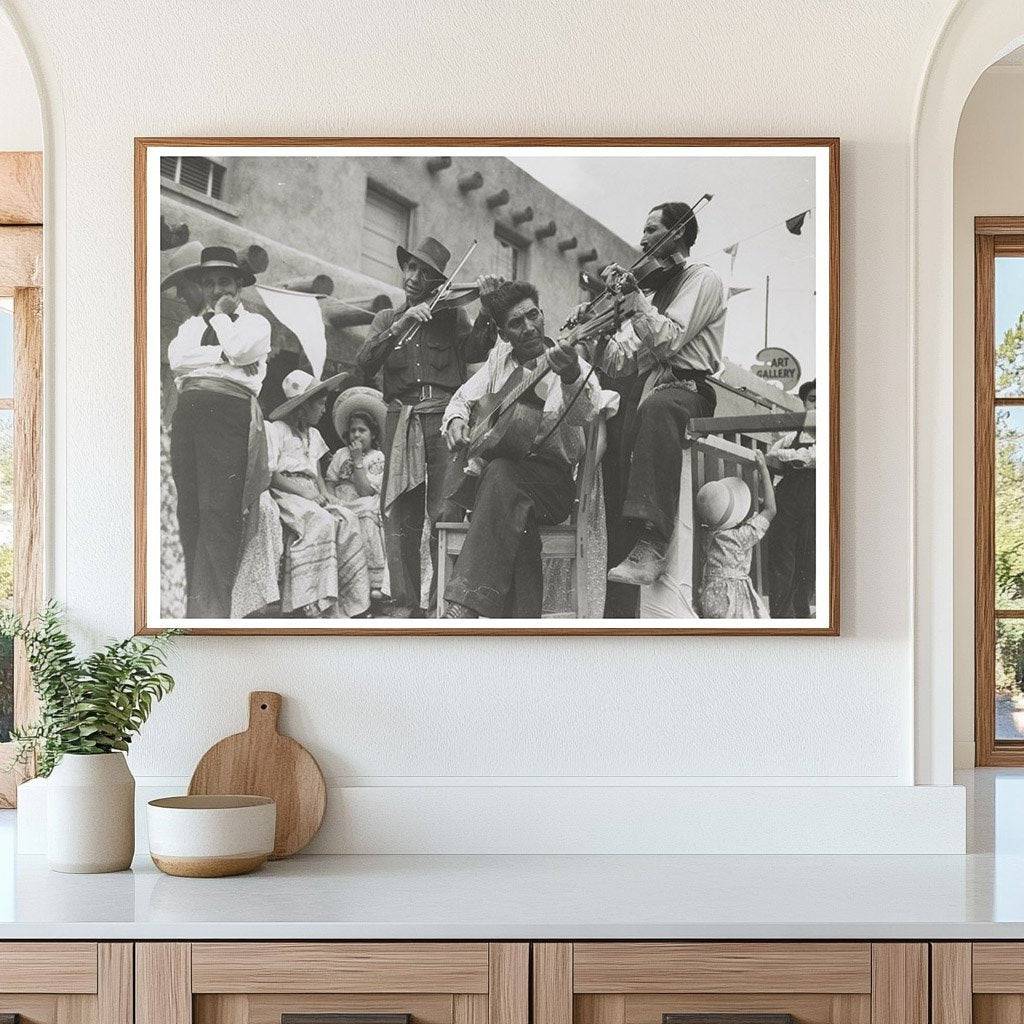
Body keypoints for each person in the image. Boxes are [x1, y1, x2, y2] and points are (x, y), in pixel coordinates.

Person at [440, 280, 610, 618]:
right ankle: (523, 631)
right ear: (503, 334)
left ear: (543, 314)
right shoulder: (498, 362)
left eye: (533, 315)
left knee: (501, 473)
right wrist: (457, 419)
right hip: (502, 491)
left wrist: (571, 374)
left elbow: (584, 414)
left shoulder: (568, 360)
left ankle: (463, 603)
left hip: (552, 485)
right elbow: (462, 396)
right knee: (514, 509)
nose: (529, 326)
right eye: (516, 323)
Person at [585, 203, 727, 595]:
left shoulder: (703, 278)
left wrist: (635, 300)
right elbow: (620, 362)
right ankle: (617, 560)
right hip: (650, 389)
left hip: (686, 390)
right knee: (613, 440)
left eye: (651, 229)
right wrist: (596, 330)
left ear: (678, 231)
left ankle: (653, 544)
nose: (642, 239)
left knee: (657, 409)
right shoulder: (655, 289)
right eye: (643, 230)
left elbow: (668, 339)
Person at [356, 237, 497, 615]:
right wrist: (400, 324)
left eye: (425, 273)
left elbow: (475, 353)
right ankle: (404, 604)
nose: (414, 277)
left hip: (443, 417)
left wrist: (486, 308)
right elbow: (364, 364)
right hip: (400, 419)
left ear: (438, 283)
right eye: (411, 268)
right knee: (401, 514)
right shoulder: (388, 318)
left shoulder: (452, 316)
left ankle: (441, 607)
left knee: (445, 513)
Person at [165, 246, 272, 618]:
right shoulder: (191, 326)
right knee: (189, 507)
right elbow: (177, 360)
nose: (215, 290)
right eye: (208, 283)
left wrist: (225, 326)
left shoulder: (256, 324)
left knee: (218, 509)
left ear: (239, 286)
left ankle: (215, 610)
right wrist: (221, 357)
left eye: (224, 282)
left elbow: (241, 350)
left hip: (228, 414)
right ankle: (194, 606)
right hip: (189, 414)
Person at [265, 370, 371, 618]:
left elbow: (317, 473)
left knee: (346, 517)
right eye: (320, 404)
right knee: (321, 521)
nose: (324, 410)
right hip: (287, 492)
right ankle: (309, 598)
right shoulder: (277, 430)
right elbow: (272, 475)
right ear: (302, 407)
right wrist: (306, 494)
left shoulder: (314, 435)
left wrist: (326, 495)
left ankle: (350, 599)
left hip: (311, 492)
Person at [326, 387, 390, 604]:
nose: (356, 435)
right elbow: (330, 481)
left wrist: (358, 461)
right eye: (353, 430)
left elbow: (366, 491)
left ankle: (373, 582)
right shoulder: (340, 454)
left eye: (362, 430)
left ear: (373, 434)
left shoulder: (377, 457)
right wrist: (330, 497)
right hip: (340, 501)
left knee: (368, 513)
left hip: (363, 502)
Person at [695, 451, 776, 619]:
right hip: (734, 600)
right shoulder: (739, 538)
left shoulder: (706, 535)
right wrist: (764, 470)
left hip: (710, 596)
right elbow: (771, 510)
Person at [763, 378, 817, 617]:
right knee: (782, 560)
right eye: (812, 400)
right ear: (804, 403)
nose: (817, 406)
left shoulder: (833, 430)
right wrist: (795, 457)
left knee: (808, 562)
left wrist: (795, 458)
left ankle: (803, 619)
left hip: (816, 502)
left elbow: (815, 456)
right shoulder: (792, 435)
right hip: (788, 501)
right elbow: (772, 454)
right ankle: (781, 618)